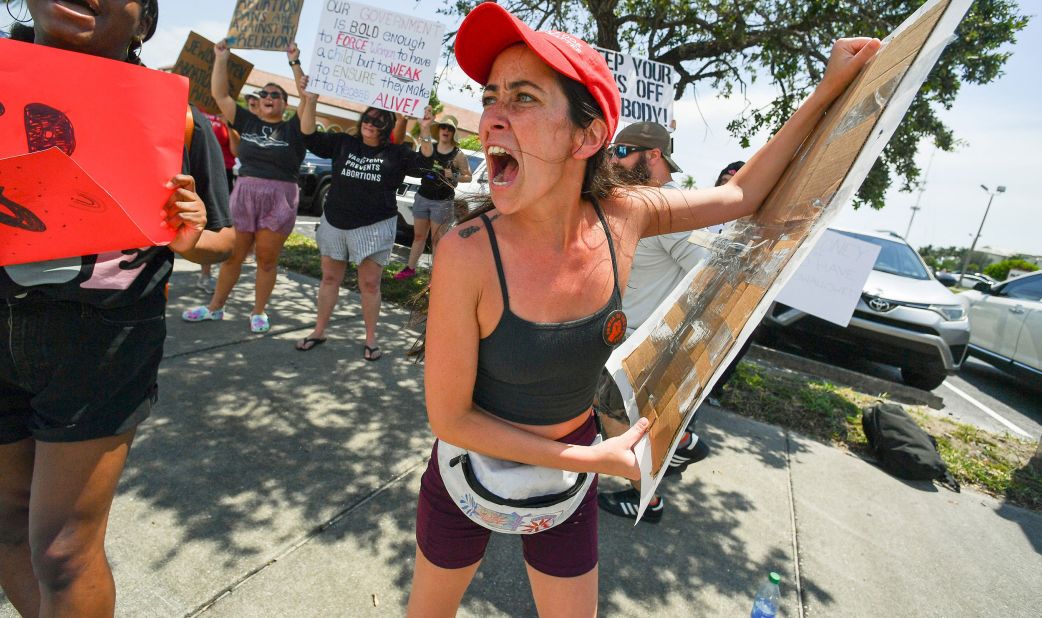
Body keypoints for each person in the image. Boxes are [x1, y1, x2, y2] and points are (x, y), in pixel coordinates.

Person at [407, 3, 878, 615]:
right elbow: (450, 420)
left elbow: (743, 193)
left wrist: (827, 88)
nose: (492, 116)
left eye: (522, 98)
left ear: (587, 136)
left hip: (568, 484)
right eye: (491, 97)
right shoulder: (466, 253)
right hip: (468, 474)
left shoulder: (626, 215)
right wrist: (592, 458)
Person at [0, 2, 234, 615]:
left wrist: (191, 237)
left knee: (61, 551)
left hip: (100, 342)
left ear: (143, 22)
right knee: (4, 524)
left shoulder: (177, 118)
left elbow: (224, 239)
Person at [293, 78, 434, 358]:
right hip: (335, 222)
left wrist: (426, 129)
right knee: (329, 279)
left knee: (369, 285)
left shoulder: (396, 153)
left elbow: (425, 164)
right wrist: (310, 101)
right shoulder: (343, 142)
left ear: (388, 128)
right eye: (368, 117)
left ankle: (371, 339)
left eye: (379, 121)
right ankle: (318, 331)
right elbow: (309, 134)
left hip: (374, 226)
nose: (370, 123)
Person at [182, 41, 308, 333]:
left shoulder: (294, 127)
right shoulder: (247, 121)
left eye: (276, 95)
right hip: (245, 193)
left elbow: (307, 100)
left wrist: (294, 62)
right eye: (265, 93)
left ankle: (259, 311)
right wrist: (221, 57)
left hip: (280, 195)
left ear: (284, 104)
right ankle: (215, 307)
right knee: (233, 255)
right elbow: (220, 94)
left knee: (266, 259)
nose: (268, 97)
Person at [395, 115, 473, 280]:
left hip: (442, 201)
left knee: (437, 241)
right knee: (418, 236)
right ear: (439, 130)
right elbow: (418, 160)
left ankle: (436, 277)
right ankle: (410, 268)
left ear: (454, 133)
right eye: (443, 127)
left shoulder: (458, 155)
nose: (446, 130)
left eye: (450, 128)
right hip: (423, 197)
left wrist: (454, 174)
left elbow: (468, 177)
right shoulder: (430, 148)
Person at [197, 110, 238, 293]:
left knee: (214, 223)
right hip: (196, 166)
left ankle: (207, 276)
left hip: (222, 172)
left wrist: (229, 125)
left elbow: (236, 149)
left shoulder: (229, 115)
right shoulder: (196, 109)